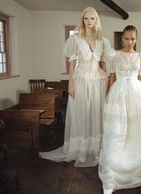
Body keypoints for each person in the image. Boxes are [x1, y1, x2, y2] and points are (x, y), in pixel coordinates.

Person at [39, 7, 115, 167]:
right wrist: (70, 84)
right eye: (86, 18)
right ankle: (80, 149)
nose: (89, 21)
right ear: (83, 21)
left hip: (98, 80)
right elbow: (71, 67)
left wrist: (109, 82)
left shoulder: (103, 41)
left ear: (96, 21)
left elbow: (104, 63)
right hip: (80, 79)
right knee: (81, 113)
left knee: (96, 113)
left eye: (92, 18)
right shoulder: (75, 40)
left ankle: (95, 149)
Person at [98, 25, 141, 194]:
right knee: (119, 132)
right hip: (118, 95)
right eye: (127, 38)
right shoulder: (114, 55)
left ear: (136, 38)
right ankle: (116, 168)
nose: (130, 42)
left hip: (138, 94)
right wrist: (107, 99)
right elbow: (112, 78)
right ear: (122, 38)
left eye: (133, 39)